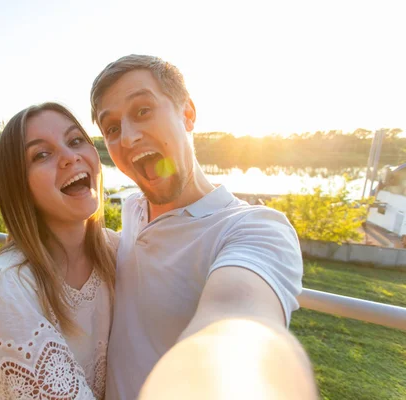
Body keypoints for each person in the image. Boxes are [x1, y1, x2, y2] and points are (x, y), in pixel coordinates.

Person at [90, 55, 314, 399]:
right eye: (113, 128)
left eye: (143, 111)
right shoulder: (133, 207)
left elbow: (236, 321)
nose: (129, 137)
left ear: (188, 113)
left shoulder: (255, 229)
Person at [0, 102, 117, 399]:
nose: (70, 157)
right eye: (42, 154)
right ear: (20, 186)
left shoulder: (116, 251)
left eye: (76, 140)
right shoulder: (6, 287)